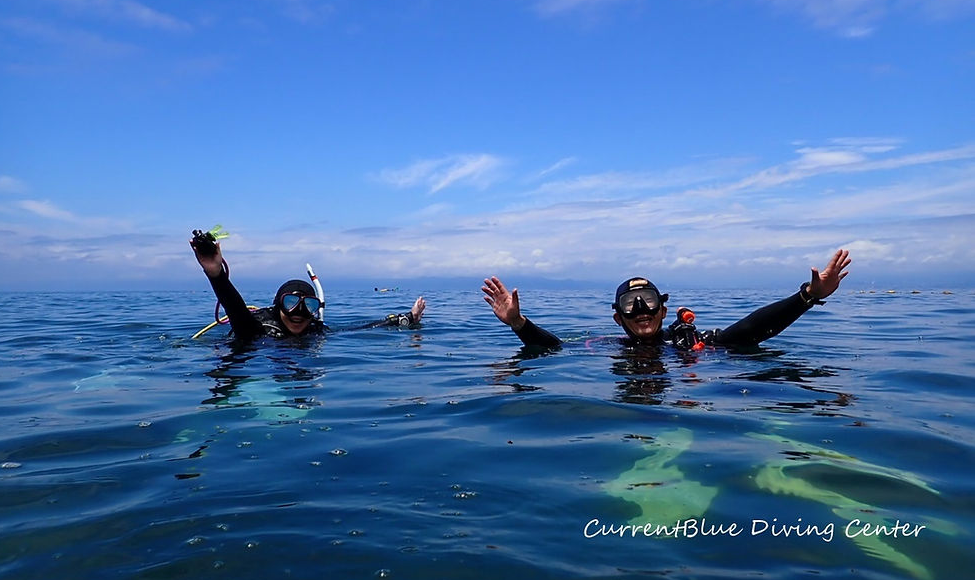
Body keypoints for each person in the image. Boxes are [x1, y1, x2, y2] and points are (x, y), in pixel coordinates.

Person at [482, 249, 851, 351]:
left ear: (663, 308)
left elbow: (747, 331)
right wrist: (519, 324)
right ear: (618, 318)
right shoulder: (605, 347)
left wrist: (807, 296)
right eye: (631, 304)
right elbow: (555, 348)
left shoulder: (686, 342)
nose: (641, 310)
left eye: (648, 300)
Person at [191, 231, 425, 342]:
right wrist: (215, 274)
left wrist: (407, 318)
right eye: (291, 303)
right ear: (278, 306)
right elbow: (235, 308)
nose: (299, 313)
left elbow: (361, 329)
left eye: (308, 306)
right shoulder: (256, 328)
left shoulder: (315, 331)